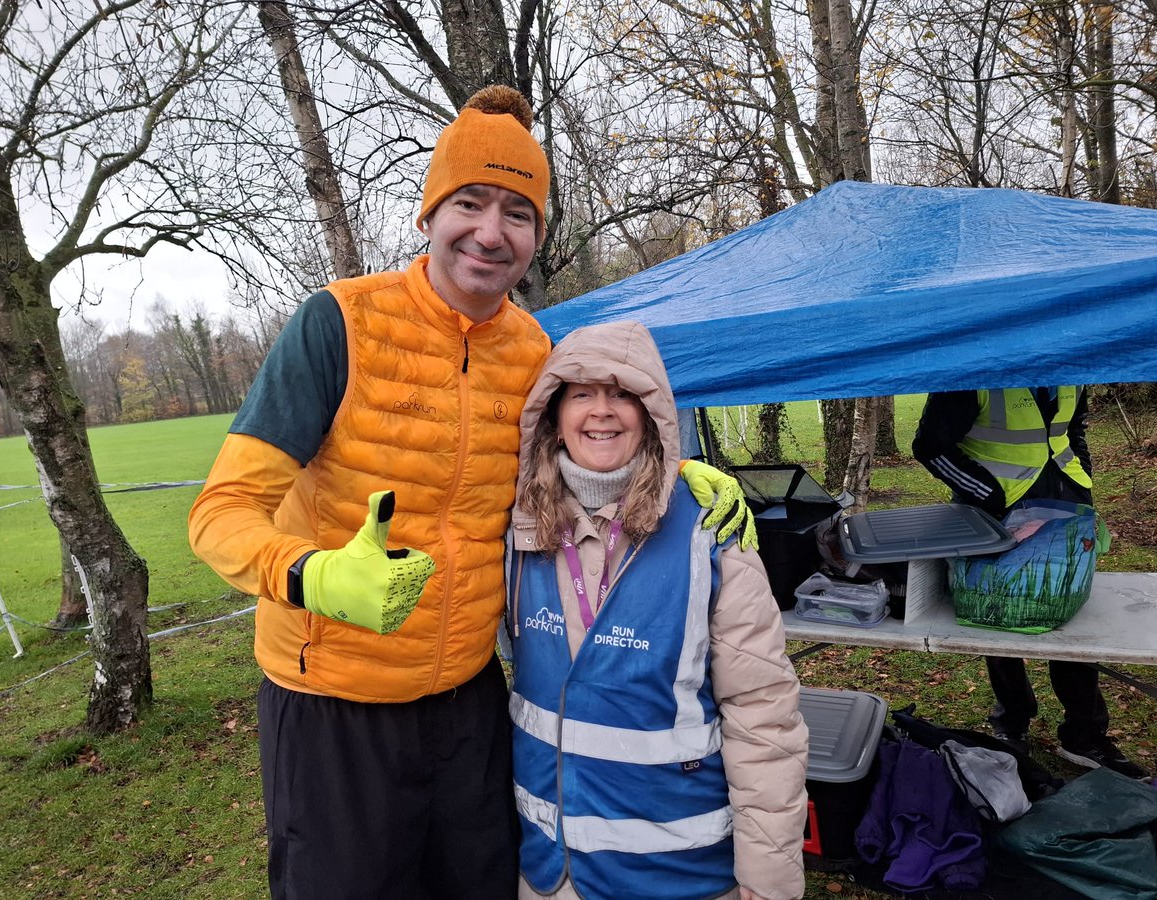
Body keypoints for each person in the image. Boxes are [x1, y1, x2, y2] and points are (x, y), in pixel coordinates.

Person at [188, 85, 754, 899]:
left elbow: (587, 453)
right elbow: (219, 515)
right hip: (332, 704)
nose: (491, 233)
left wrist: (674, 471)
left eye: (518, 213)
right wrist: (310, 573)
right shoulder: (338, 323)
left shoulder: (533, 350)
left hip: (470, 700)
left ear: (536, 236)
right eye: (470, 203)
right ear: (429, 215)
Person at [506, 320, 808, 900]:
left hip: (680, 874)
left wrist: (768, 885)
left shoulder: (711, 531)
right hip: (550, 875)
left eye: (623, 393)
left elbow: (763, 717)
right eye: (582, 393)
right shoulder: (515, 528)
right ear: (552, 413)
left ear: (653, 413)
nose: (602, 411)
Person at [913, 386, 1147, 779]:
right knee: (1000, 612)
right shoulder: (976, 370)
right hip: (996, 511)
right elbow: (930, 445)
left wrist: (1082, 477)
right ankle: (1012, 722)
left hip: (1067, 502)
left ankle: (1084, 735)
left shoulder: (1074, 368)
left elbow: (1073, 431)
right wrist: (986, 493)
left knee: (1069, 613)